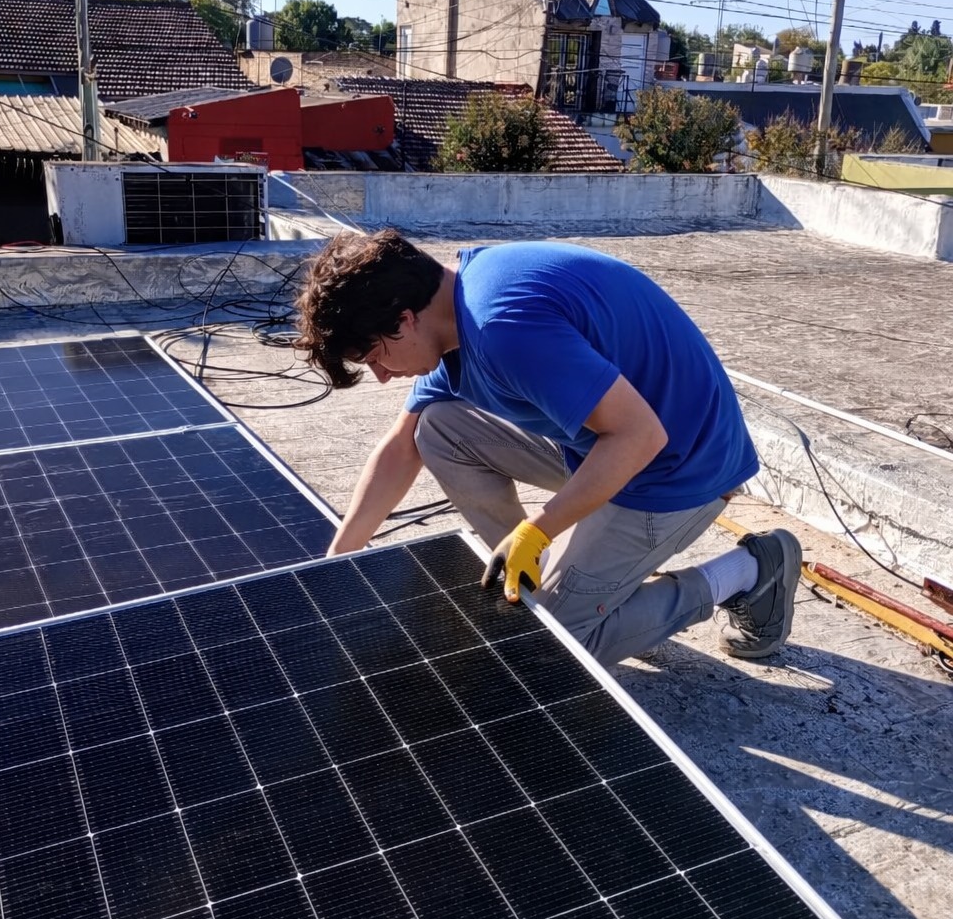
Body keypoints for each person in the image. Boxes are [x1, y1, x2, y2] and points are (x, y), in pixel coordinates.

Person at [297, 228, 801, 669]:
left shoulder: (502, 327)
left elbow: (640, 436)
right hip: (601, 441)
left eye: (373, 357)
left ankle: (751, 570)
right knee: (438, 428)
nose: (382, 376)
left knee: (556, 647)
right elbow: (400, 448)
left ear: (404, 320)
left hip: (677, 467)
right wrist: (335, 563)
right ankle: (535, 583)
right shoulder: (452, 312)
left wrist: (539, 530)